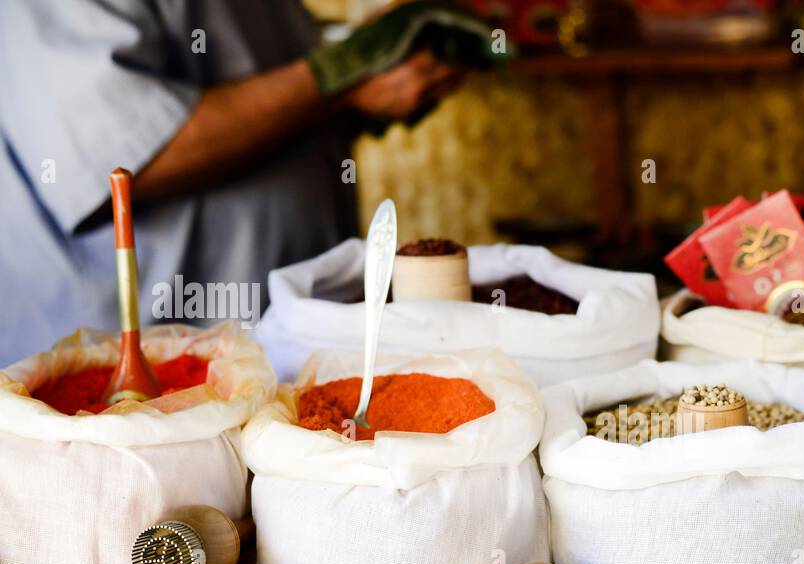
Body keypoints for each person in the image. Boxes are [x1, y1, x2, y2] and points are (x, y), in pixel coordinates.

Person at [0, 0, 466, 364]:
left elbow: (280, 112)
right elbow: (120, 162)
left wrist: (374, 83)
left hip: (271, 349)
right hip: (140, 386)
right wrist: (342, 79)